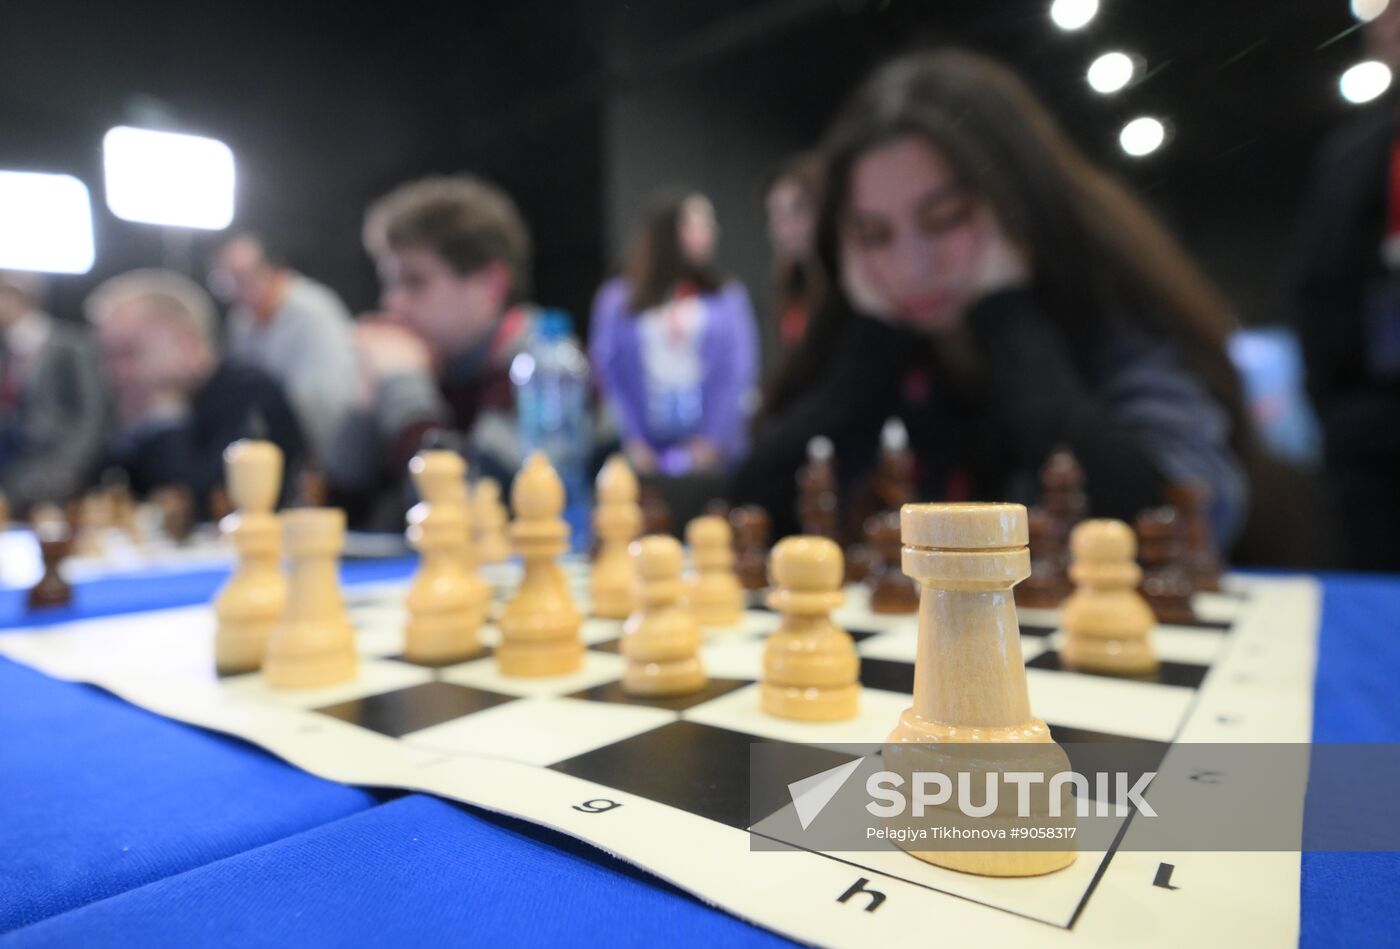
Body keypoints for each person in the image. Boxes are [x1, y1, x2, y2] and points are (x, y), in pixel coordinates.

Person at [733, 50, 1253, 547]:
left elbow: (1194, 519)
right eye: (873, 235)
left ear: (1018, 199)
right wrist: (869, 351)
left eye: (946, 218)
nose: (913, 266)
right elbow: (747, 519)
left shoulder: (1107, 310)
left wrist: (1005, 320)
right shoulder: (864, 338)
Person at [331, 175, 536, 526]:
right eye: (389, 283)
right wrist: (365, 404)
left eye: (414, 281)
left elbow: (467, 515)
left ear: (490, 283)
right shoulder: (432, 364)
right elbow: (339, 509)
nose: (392, 302)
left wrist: (403, 386)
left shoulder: (538, 368)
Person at [1293, 7, 1400, 570]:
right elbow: (1314, 288)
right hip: (1370, 423)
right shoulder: (1350, 154)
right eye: (1385, 13)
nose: (1390, 24)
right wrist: (1333, 408)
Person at [85, 269, 305, 511]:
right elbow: (98, 494)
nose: (115, 373)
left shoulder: (251, 393)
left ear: (187, 345)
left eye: (129, 353)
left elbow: (202, 504)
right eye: (107, 357)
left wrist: (166, 418)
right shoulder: (133, 405)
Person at [589, 192, 758, 477]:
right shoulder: (618, 298)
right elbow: (607, 373)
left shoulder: (727, 296)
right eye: (699, 224)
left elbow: (739, 371)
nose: (712, 231)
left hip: (713, 457)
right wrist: (631, 439)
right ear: (668, 231)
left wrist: (712, 439)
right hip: (639, 455)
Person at [208, 234, 359, 467]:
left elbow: (329, 399)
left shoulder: (313, 310)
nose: (237, 289)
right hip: (275, 450)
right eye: (228, 281)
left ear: (272, 269)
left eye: (244, 276)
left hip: (323, 450)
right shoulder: (241, 321)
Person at [0, 270, 106, 513]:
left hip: (56, 466)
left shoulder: (68, 344)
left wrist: (70, 468)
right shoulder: (7, 350)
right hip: (15, 468)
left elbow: (91, 414)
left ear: (17, 297)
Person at [764, 152, 825, 358]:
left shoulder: (852, 289)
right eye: (774, 214)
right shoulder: (793, 285)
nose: (784, 227)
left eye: (797, 209)